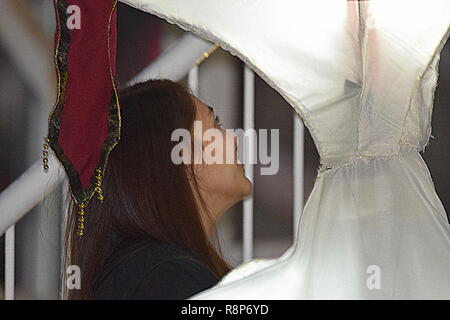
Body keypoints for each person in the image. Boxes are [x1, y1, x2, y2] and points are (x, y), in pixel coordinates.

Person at [62, 79, 252, 299]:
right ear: (182, 156)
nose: (234, 138)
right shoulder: (171, 279)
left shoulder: (145, 272)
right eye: (215, 124)